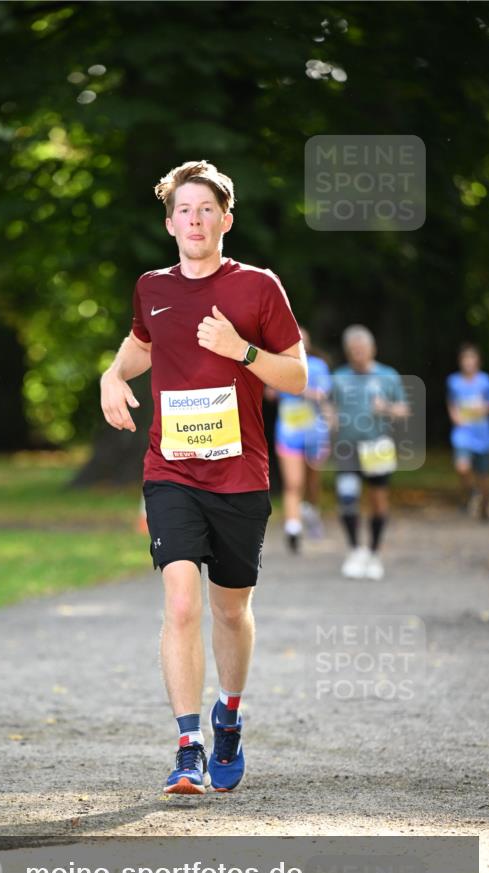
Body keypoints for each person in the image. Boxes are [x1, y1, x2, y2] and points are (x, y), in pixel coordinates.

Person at [100, 160, 306, 795]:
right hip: (171, 470)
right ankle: (188, 747)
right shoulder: (151, 287)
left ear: (226, 220)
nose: (194, 220)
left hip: (240, 474)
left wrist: (240, 349)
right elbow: (142, 343)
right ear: (170, 223)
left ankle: (229, 717)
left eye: (206, 210)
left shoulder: (258, 287)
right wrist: (112, 375)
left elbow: (298, 376)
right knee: (182, 602)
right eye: (184, 210)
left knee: (230, 610)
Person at [331, 325, 408, 581]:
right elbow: (330, 407)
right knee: (347, 498)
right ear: (347, 352)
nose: (358, 354)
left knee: (378, 500)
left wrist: (386, 408)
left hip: (377, 446)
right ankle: (355, 550)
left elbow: (403, 410)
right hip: (347, 448)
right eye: (353, 350)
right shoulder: (339, 377)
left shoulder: (388, 376)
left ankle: (374, 553)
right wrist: (329, 418)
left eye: (362, 349)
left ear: (372, 349)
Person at [270, 328, 331, 552]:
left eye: (303, 341)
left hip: (315, 433)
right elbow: (270, 392)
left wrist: (296, 388)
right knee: (293, 483)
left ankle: (311, 511)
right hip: (288, 433)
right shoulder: (280, 364)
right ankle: (293, 529)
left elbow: (322, 394)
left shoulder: (318, 366)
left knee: (312, 482)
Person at [446, 344, 489, 521]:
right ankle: (473, 493)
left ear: (478, 361)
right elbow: (451, 402)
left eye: (471, 358)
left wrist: (484, 407)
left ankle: (484, 505)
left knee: (484, 476)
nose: (468, 362)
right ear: (460, 361)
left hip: (483, 434)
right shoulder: (453, 381)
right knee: (462, 467)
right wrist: (454, 416)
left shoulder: (486, 381)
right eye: (465, 359)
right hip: (463, 432)